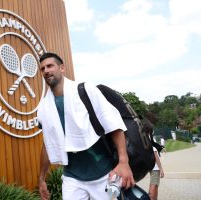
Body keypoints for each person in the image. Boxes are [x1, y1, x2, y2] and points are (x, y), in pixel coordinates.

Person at [37, 52, 135, 200]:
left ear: (62, 68)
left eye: (50, 66)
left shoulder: (85, 90)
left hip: (104, 174)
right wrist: (41, 178)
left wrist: (123, 161)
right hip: (72, 177)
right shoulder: (44, 107)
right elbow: (48, 144)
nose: (46, 71)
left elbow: (113, 124)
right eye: (42, 68)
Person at [143, 121, 164, 200]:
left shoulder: (143, 138)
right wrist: (161, 168)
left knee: (155, 186)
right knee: (154, 185)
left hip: (149, 166)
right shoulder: (149, 139)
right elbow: (156, 156)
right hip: (155, 167)